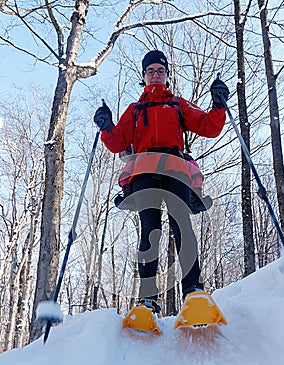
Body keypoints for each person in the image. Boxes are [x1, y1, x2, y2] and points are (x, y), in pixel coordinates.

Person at [94, 50, 229, 314]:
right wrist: (106, 125)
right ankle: (147, 298)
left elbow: (208, 127)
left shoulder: (178, 104)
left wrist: (219, 104)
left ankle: (193, 291)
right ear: (143, 77)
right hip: (144, 172)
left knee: (182, 224)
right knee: (149, 230)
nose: (155, 74)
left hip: (175, 169)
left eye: (160, 70)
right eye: (150, 71)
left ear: (167, 76)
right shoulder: (134, 109)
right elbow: (117, 142)